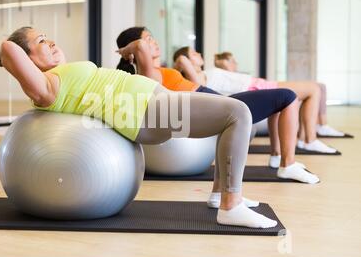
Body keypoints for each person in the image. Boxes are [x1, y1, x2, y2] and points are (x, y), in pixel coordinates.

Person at [0, 26, 277, 229]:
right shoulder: (46, 87)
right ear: (27, 58)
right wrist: (11, 45)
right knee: (238, 113)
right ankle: (231, 206)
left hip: (155, 101)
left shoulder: (60, 74)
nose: (52, 42)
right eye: (42, 41)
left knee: (228, 117)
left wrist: (41, 44)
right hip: (146, 112)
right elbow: (7, 49)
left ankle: (220, 195)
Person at [116, 27, 319, 187]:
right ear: (135, 50)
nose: (153, 41)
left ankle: (277, 159)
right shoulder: (148, 73)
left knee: (279, 101)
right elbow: (140, 46)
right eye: (148, 38)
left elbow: (142, 46)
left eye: (152, 37)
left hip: (215, 100)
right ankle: (288, 164)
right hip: (210, 105)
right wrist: (127, 50)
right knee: (288, 97)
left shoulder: (159, 69)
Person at [187, 50, 342, 152]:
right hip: (255, 89)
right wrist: (182, 60)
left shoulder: (207, 72)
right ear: (187, 61)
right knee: (313, 89)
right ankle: (310, 139)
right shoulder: (200, 76)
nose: (198, 53)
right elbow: (191, 76)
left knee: (316, 88)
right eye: (192, 53)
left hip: (259, 84)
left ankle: (305, 137)